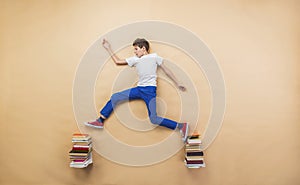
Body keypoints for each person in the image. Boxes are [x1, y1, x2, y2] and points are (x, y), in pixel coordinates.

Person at [84, 38, 189, 141]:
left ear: (143, 48)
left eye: (136, 49)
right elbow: (117, 61)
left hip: (149, 91)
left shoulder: (154, 57)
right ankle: (100, 120)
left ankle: (181, 126)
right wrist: (108, 48)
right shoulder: (135, 59)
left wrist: (178, 83)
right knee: (115, 97)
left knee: (154, 119)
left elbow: (167, 71)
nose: (134, 52)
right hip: (139, 90)